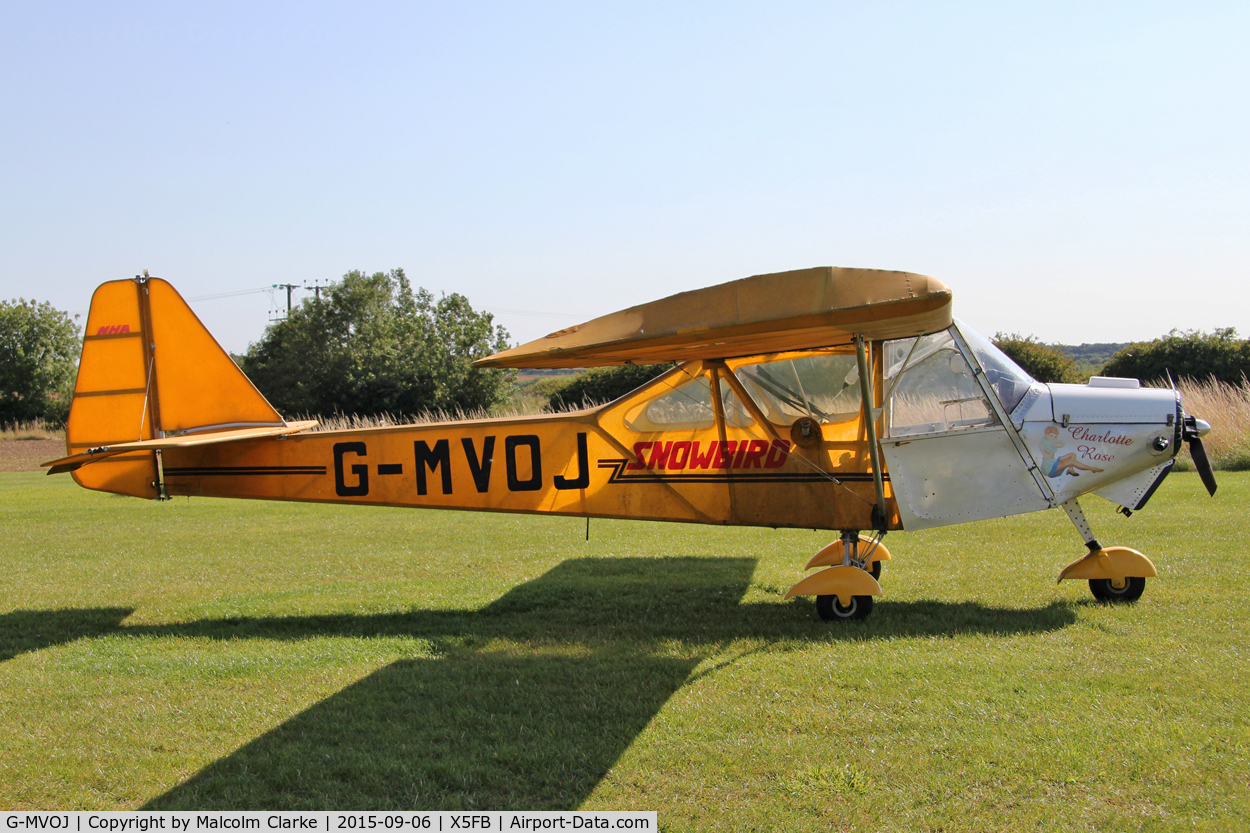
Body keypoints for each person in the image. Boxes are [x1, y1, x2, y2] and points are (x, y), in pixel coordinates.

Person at [1039, 425, 1104, 478]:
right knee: (1071, 462)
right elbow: (1061, 444)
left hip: (1053, 462)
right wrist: (1056, 440)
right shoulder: (1046, 443)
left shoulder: (1048, 441)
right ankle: (1092, 468)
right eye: (1051, 435)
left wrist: (1054, 440)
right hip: (1049, 467)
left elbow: (1061, 444)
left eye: (1055, 436)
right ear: (1046, 435)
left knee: (1072, 454)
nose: (1053, 438)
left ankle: (1071, 469)